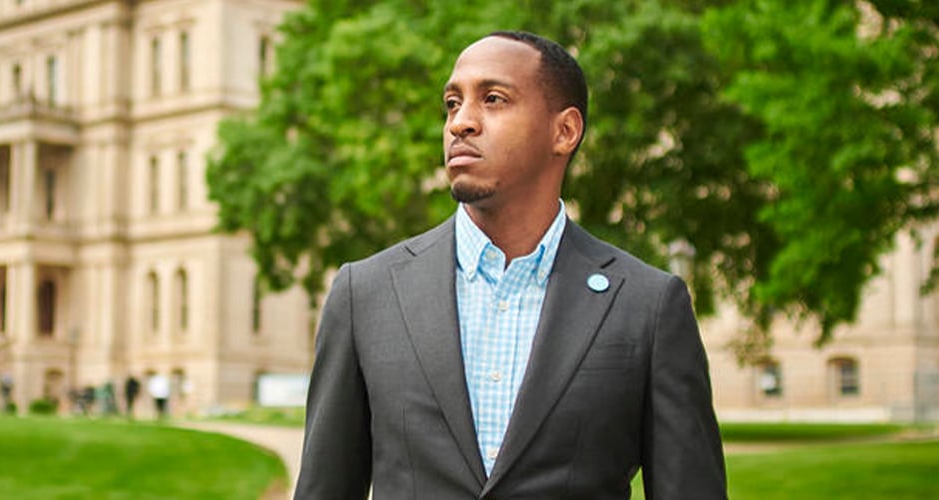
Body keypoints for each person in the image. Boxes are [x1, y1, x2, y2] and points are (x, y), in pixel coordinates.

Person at [293, 31, 726, 499]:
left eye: (493, 99)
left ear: (565, 131)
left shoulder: (648, 306)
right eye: (452, 103)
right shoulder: (365, 294)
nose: (461, 122)